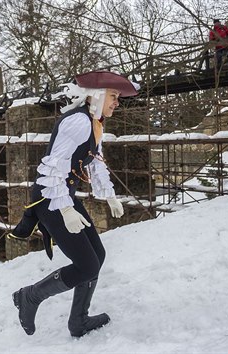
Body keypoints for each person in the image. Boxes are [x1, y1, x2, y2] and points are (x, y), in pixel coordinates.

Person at [9, 70, 138, 337]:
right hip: (51, 198)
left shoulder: (94, 123)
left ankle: (78, 320)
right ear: (97, 95)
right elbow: (51, 169)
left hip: (64, 196)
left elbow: (95, 160)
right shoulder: (78, 122)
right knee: (87, 265)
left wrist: (110, 194)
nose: (117, 102)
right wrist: (65, 209)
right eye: (113, 96)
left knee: (97, 257)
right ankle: (29, 297)